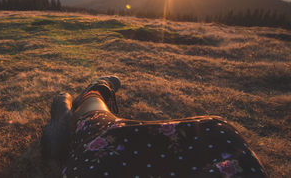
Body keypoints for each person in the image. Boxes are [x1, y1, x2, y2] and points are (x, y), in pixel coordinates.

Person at [41, 76, 267, 178]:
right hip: (219, 150)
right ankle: (94, 98)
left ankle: (90, 97)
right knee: (217, 131)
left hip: (103, 165)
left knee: (103, 131)